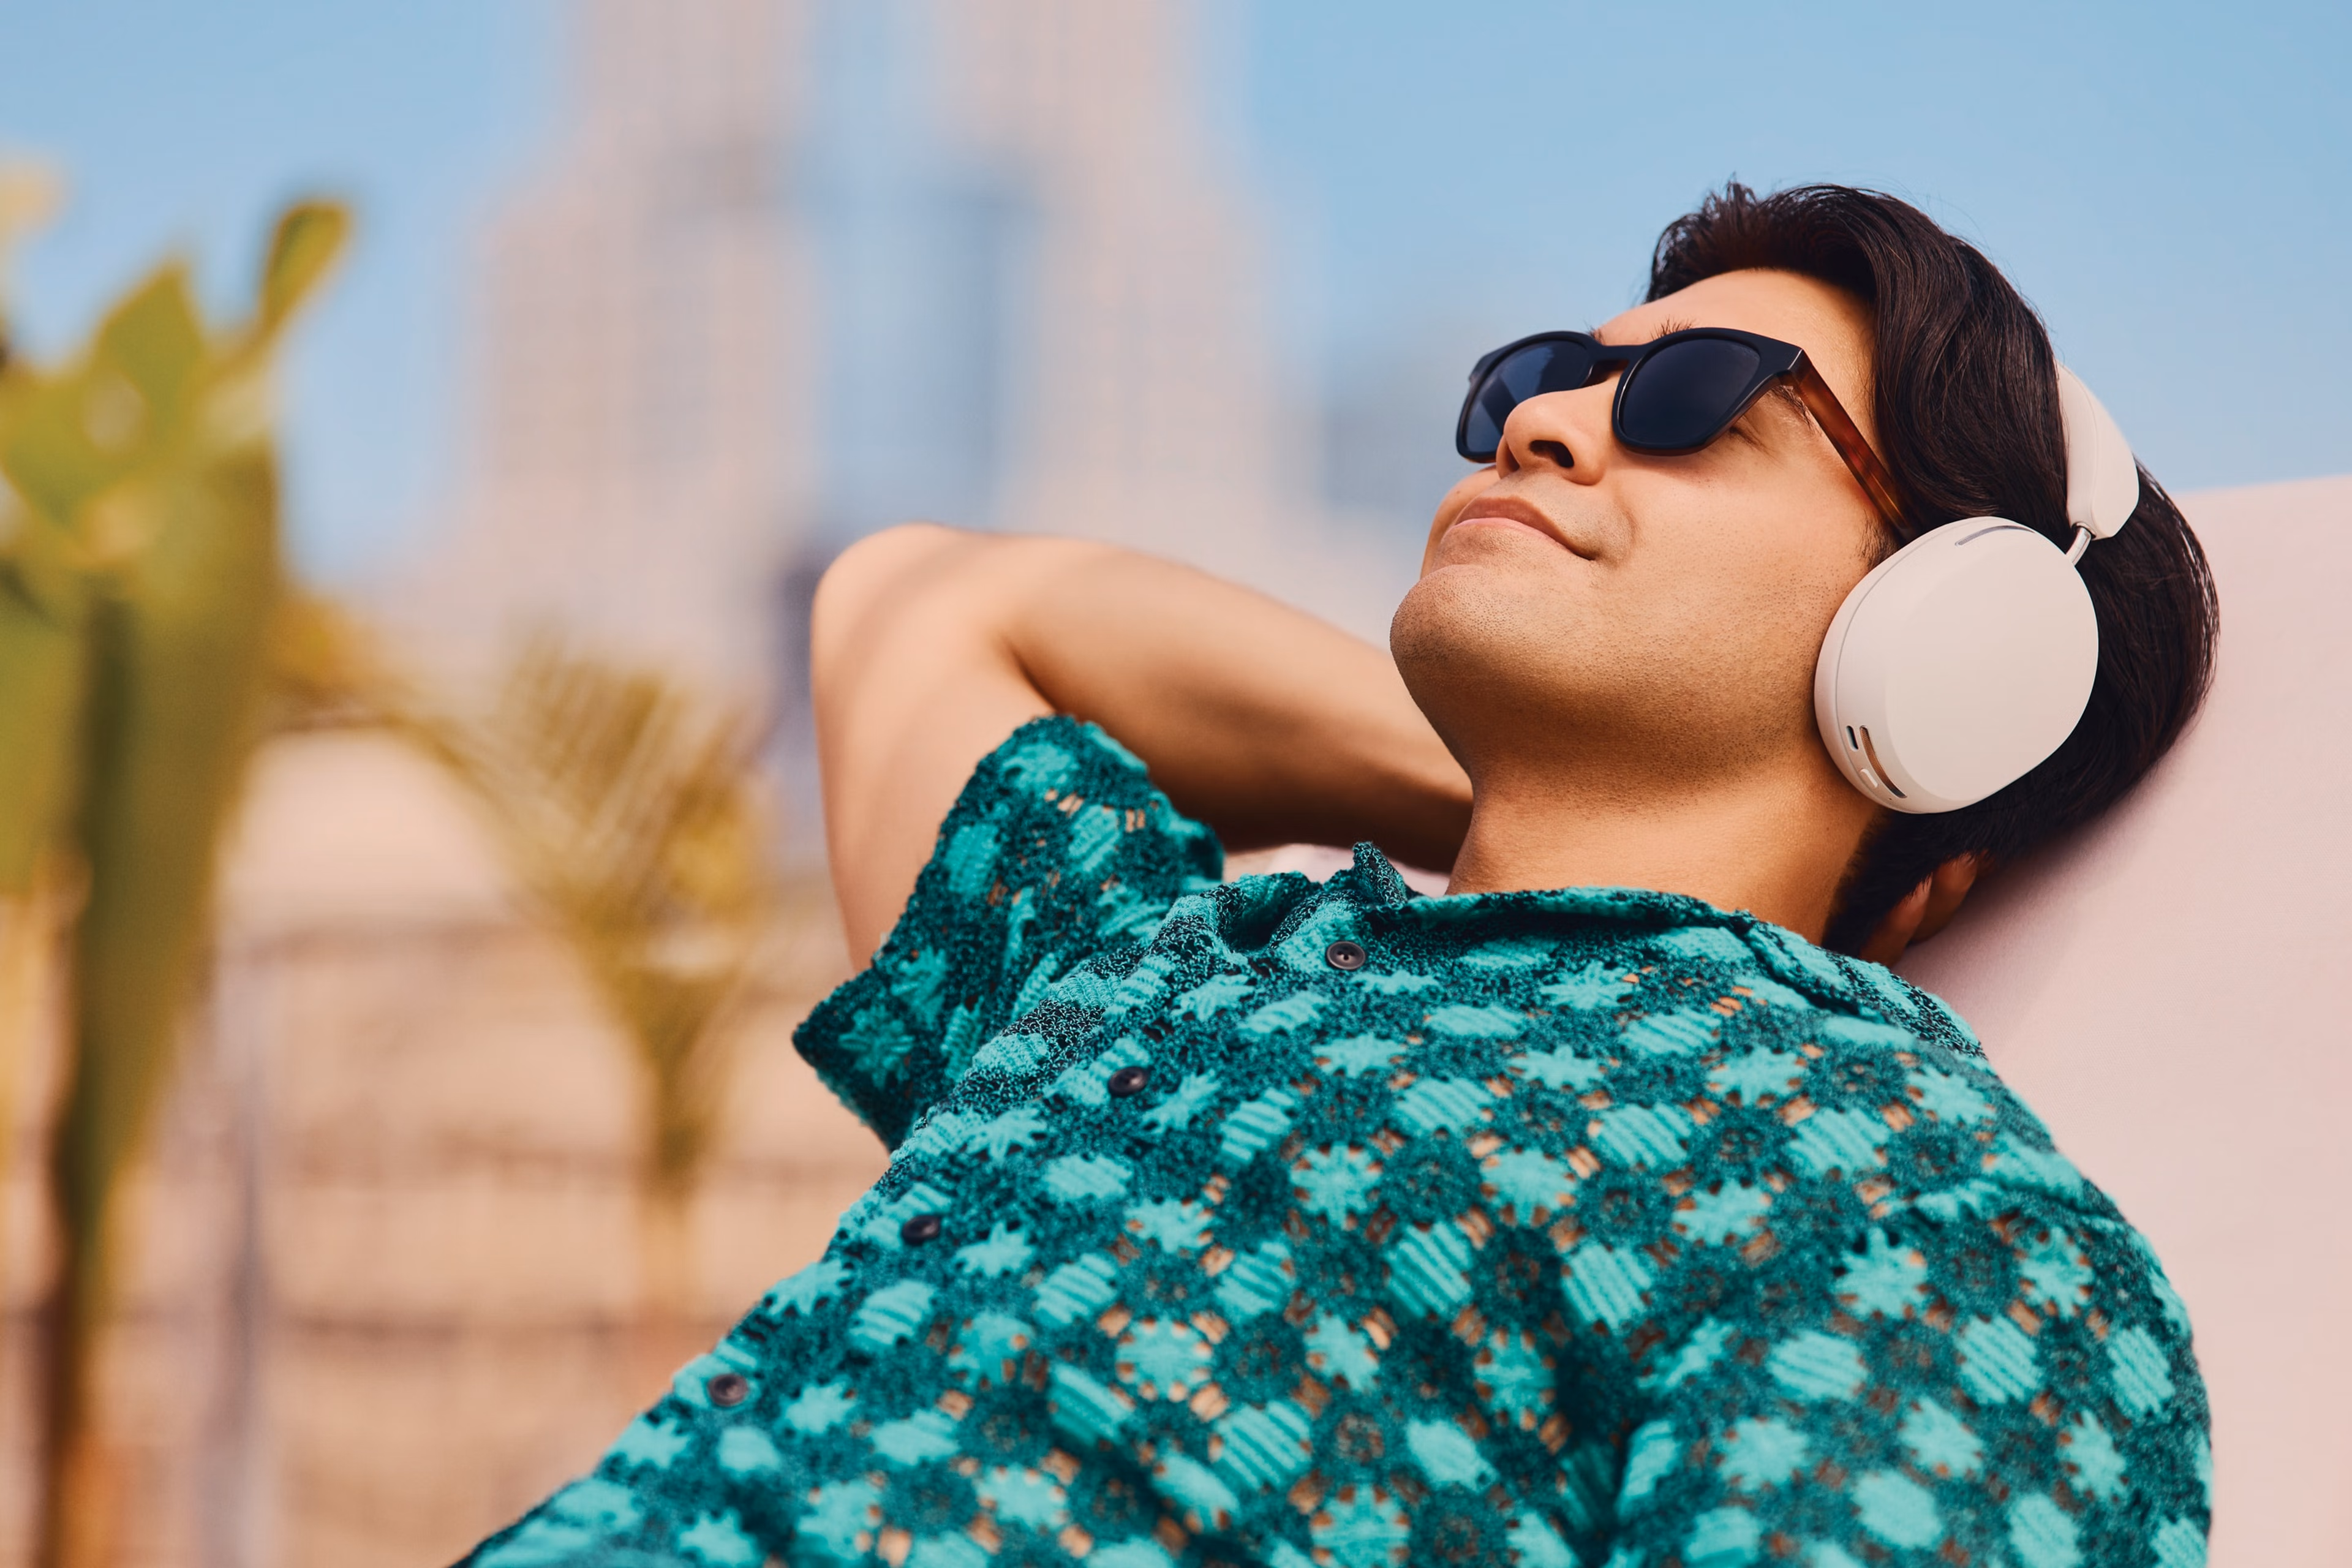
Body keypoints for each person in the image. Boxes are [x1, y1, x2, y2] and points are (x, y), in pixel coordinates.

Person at [463, 184, 2216, 1568]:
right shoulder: (1154, 975)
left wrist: (1655, 812)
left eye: (1699, 403)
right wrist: (1536, 804)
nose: (1540, 431)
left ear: (1952, 653)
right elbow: (919, 609)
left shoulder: (1913, 1215)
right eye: (1542, 378)